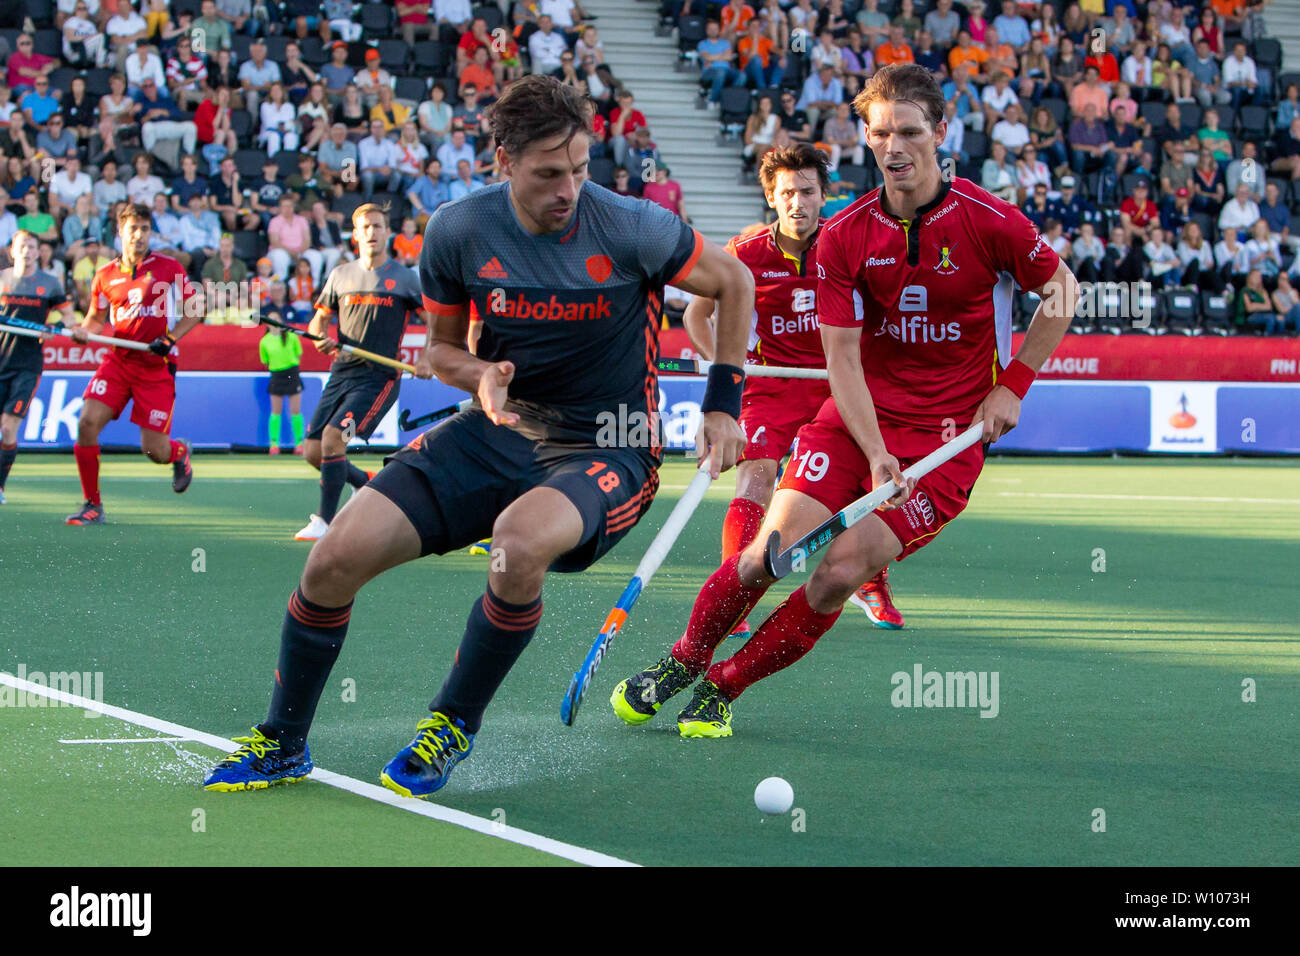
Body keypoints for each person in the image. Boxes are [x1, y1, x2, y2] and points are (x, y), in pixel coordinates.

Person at [203, 75, 754, 797]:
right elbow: (437, 349)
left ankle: (453, 724)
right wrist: (478, 376)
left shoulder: (633, 226)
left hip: (608, 446)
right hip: (496, 426)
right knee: (333, 559)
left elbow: (734, 281)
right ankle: (281, 742)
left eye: (581, 170)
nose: (570, 190)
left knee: (516, 543)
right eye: (549, 174)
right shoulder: (458, 229)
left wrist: (724, 401)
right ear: (503, 161)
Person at [612, 63, 1076, 738]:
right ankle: (685, 658)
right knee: (767, 554)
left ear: (940, 133)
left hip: (947, 443)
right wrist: (877, 451)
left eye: (910, 132)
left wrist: (1015, 385)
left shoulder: (988, 220)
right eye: (881, 132)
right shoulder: (848, 233)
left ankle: (724, 685)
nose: (894, 147)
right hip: (856, 420)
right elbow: (843, 357)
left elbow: (1062, 290)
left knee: (836, 573)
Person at [684, 142, 904, 632]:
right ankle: (734, 592)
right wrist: (727, 366)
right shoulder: (742, 253)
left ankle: (870, 581)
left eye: (807, 191)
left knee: (866, 482)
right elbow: (696, 314)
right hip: (770, 387)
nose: (797, 203)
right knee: (756, 476)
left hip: (838, 384)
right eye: (787, 193)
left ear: (823, 195)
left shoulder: (848, 245)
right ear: (771, 197)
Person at [290, 203, 428, 542]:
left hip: (379, 378)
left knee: (333, 440)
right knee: (312, 451)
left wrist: (427, 357)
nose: (372, 233)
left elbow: (436, 324)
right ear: (355, 234)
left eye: (378, 226)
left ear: (387, 232)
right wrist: (320, 336)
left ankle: (325, 523)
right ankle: (364, 483)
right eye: (365, 227)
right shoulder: (340, 275)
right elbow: (318, 321)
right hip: (342, 374)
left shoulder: (406, 278)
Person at [65, 203, 203, 525]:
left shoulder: (169, 268)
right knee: (86, 423)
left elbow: (195, 310)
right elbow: (96, 320)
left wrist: (169, 340)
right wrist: (83, 333)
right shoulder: (104, 276)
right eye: (133, 229)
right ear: (119, 232)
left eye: (144, 229)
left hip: (156, 367)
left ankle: (179, 453)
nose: (139, 235)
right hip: (119, 362)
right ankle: (92, 505)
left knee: (154, 451)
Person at [0, 230, 74, 503]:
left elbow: (68, 317)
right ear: (12, 250)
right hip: (0, 360)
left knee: (8, 428)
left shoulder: (50, 283)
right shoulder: (2, 279)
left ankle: (0, 487)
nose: (27, 251)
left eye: (32, 247)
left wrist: (53, 327)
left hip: (27, 365)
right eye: (22, 246)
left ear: (38, 252)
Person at [259, 322, 304, 454]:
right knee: (275, 411)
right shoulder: (264, 341)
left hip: (292, 373)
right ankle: (273, 444)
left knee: (295, 410)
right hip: (277, 374)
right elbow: (265, 362)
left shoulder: (291, 336)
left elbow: (299, 354)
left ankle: (299, 443)